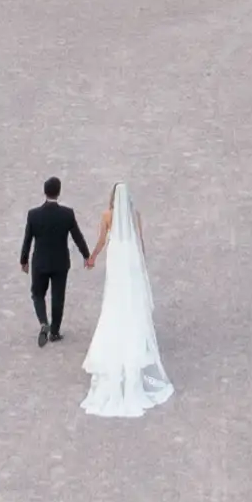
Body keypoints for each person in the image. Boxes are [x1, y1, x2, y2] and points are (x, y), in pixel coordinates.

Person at [79, 179, 170, 418]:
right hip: (130, 261)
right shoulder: (135, 215)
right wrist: (143, 263)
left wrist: (93, 256)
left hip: (116, 261)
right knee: (131, 300)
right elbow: (140, 242)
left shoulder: (108, 215)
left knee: (114, 299)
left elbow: (101, 239)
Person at [20, 176, 91, 345]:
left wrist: (24, 260)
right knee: (58, 297)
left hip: (40, 262)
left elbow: (27, 239)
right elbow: (77, 236)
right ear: (59, 192)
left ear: (45, 192)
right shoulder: (67, 214)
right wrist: (86, 255)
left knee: (37, 294)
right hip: (60, 263)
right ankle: (55, 332)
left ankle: (44, 322)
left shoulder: (33, 215)